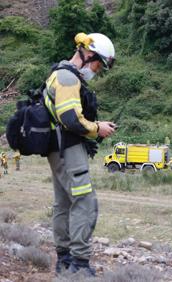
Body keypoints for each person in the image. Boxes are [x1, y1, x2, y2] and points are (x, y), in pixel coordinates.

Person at [45, 32, 116, 276]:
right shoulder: (67, 79)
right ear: (87, 54)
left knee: (64, 203)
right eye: (99, 64)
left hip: (58, 149)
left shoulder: (61, 74)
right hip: (68, 150)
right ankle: (79, 264)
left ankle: (64, 261)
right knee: (85, 202)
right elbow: (71, 120)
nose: (98, 70)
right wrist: (98, 128)